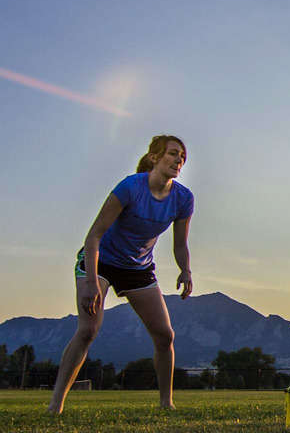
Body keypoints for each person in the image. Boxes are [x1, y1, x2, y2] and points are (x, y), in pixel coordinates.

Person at [48, 135, 195, 414]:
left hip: (137, 267)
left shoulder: (183, 198)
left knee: (165, 336)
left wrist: (185, 270)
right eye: (173, 154)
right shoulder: (130, 187)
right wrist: (91, 283)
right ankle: (56, 405)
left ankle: (167, 403)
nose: (179, 160)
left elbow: (180, 244)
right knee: (88, 330)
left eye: (183, 157)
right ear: (154, 157)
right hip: (100, 260)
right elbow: (94, 236)